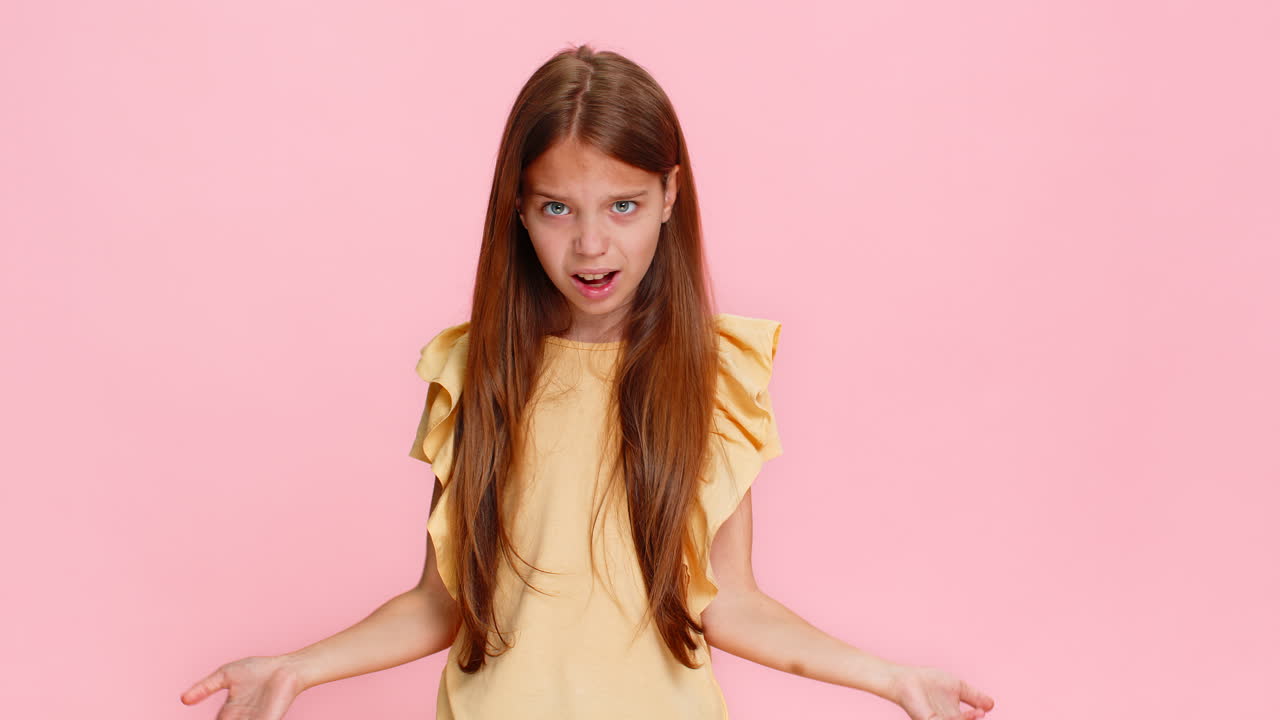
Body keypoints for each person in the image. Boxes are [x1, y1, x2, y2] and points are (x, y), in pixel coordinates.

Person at [180, 44, 996, 720]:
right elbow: (442, 602)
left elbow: (729, 600)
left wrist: (889, 678)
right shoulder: (477, 374)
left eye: (625, 206)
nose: (591, 247)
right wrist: (297, 667)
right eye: (557, 210)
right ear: (519, 210)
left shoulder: (714, 379)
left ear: (671, 195)